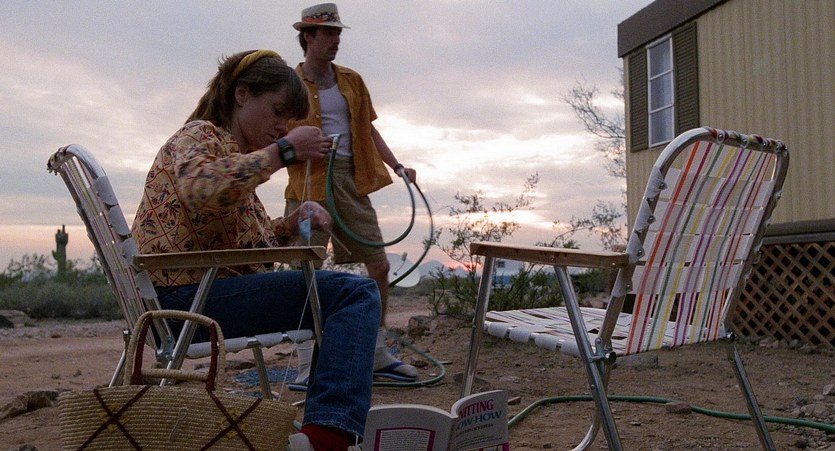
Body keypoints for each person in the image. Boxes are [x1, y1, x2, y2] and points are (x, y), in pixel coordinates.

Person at [131, 49, 373, 451]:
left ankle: (325, 430)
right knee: (355, 294)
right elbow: (201, 189)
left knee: (345, 294)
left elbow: (248, 249)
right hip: (185, 305)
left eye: (288, 121)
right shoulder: (200, 135)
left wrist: (289, 225)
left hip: (191, 299)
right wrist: (285, 152)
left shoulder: (230, 156)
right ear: (241, 94)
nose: (281, 127)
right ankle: (328, 436)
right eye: (277, 111)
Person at [285, 2, 419, 387]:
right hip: (307, 183)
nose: (336, 40)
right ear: (308, 37)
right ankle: (307, 363)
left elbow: (368, 130)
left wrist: (397, 166)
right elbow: (274, 131)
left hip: (350, 179)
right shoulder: (288, 83)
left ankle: (376, 353)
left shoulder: (352, 80)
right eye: (328, 33)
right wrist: (294, 149)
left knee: (379, 264)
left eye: (338, 33)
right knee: (305, 271)